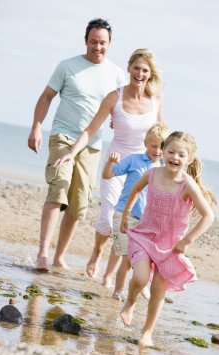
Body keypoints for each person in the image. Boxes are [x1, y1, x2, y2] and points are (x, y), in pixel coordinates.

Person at [55, 48, 165, 282]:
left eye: (145, 70)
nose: (140, 73)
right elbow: (91, 129)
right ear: (129, 68)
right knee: (107, 219)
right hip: (116, 164)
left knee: (127, 223)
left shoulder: (155, 101)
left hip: (143, 169)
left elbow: (163, 136)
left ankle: (109, 275)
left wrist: (174, 167)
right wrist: (73, 153)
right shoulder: (114, 97)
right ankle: (97, 251)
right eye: (136, 68)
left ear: (150, 73)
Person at [27, 18, 126, 271]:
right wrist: (37, 126)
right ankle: (42, 254)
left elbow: (119, 109)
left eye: (102, 42)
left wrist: (117, 122)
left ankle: (60, 255)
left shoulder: (117, 75)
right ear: (86, 41)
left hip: (91, 145)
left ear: (109, 43)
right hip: (63, 135)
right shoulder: (67, 66)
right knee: (59, 188)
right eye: (93, 41)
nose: (98, 47)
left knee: (79, 202)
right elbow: (46, 97)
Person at [120, 131, 217, 347]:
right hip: (144, 235)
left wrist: (187, 241)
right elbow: (135, 189)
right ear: (162, 151)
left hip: (169, 247)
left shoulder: (187, 184)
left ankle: (147, 332)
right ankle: (130, 300)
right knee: (140, 278)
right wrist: (125, 215)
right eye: (171, 151)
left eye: (181, 155)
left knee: (157, 290)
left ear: (189, 159)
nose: (175, 157)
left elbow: (208, 215)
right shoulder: (152, 174)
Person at [102, 124, 170, 301]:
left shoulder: (164, 169)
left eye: (161, 146)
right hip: (125, 215)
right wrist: (111, 161)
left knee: (143, 259)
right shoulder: (134, 160)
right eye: (153, 145)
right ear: (145, 143)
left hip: (147, 221)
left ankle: (141, 286)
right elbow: (107, 175)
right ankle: (118, 291)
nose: (157, 150)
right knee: (126, 257)